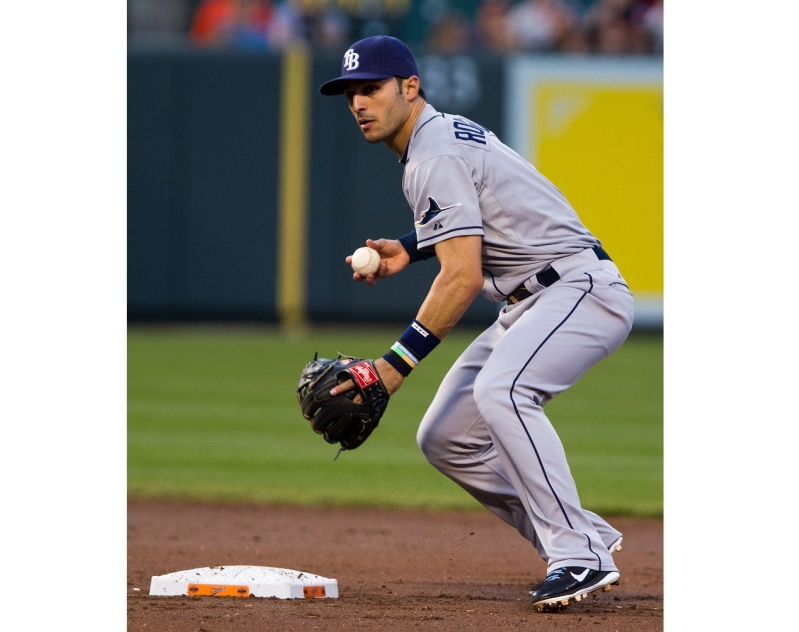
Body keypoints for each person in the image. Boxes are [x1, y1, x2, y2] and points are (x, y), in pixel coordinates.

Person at [319, 35, 634, 612]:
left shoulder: (431, 151)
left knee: (504, 391)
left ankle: (580, 552)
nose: (359, 103)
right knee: (446, 437)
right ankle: (574, 535)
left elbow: (461, 278)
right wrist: (409, 250)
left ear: (410, 87)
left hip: (578, 289)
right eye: (350, 94)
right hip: (535, 299)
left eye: (372, 89)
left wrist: (393, 367)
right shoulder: (434, 140)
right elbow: (484, 215)